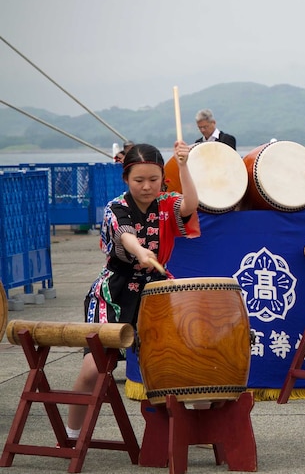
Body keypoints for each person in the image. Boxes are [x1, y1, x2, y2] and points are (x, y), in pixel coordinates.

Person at [65, 142, 200, 441]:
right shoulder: (116, 207)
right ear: (126, 179)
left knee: (174, 361)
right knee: (93, 369)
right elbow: (127, 236)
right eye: (139, 180)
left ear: (163, 178)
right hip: (114, 292)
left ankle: (186, 428)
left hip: (155, 291)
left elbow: (190, 205)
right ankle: (71, 435)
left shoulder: (167, 203)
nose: (147, 186)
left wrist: (186, 165)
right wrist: (140, 252)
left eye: (154, 179)